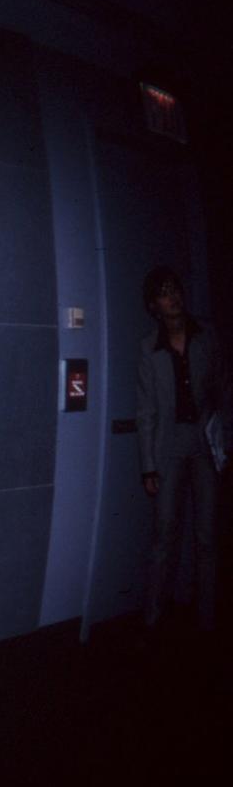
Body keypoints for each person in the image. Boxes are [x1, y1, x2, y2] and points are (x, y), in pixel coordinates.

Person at [135, 266, 226, 634]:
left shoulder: (207, 336)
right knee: (164, 538)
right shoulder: (148, 348)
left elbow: (225, 390)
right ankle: (153, 620)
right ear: (154, 305)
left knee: (206, 537)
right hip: (168, 448)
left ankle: (207, 620)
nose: (174, 297)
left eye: (176, 289)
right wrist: (148, 466)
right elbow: (146, 411)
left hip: (204, 446)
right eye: (164, 293)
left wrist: (226, 440)